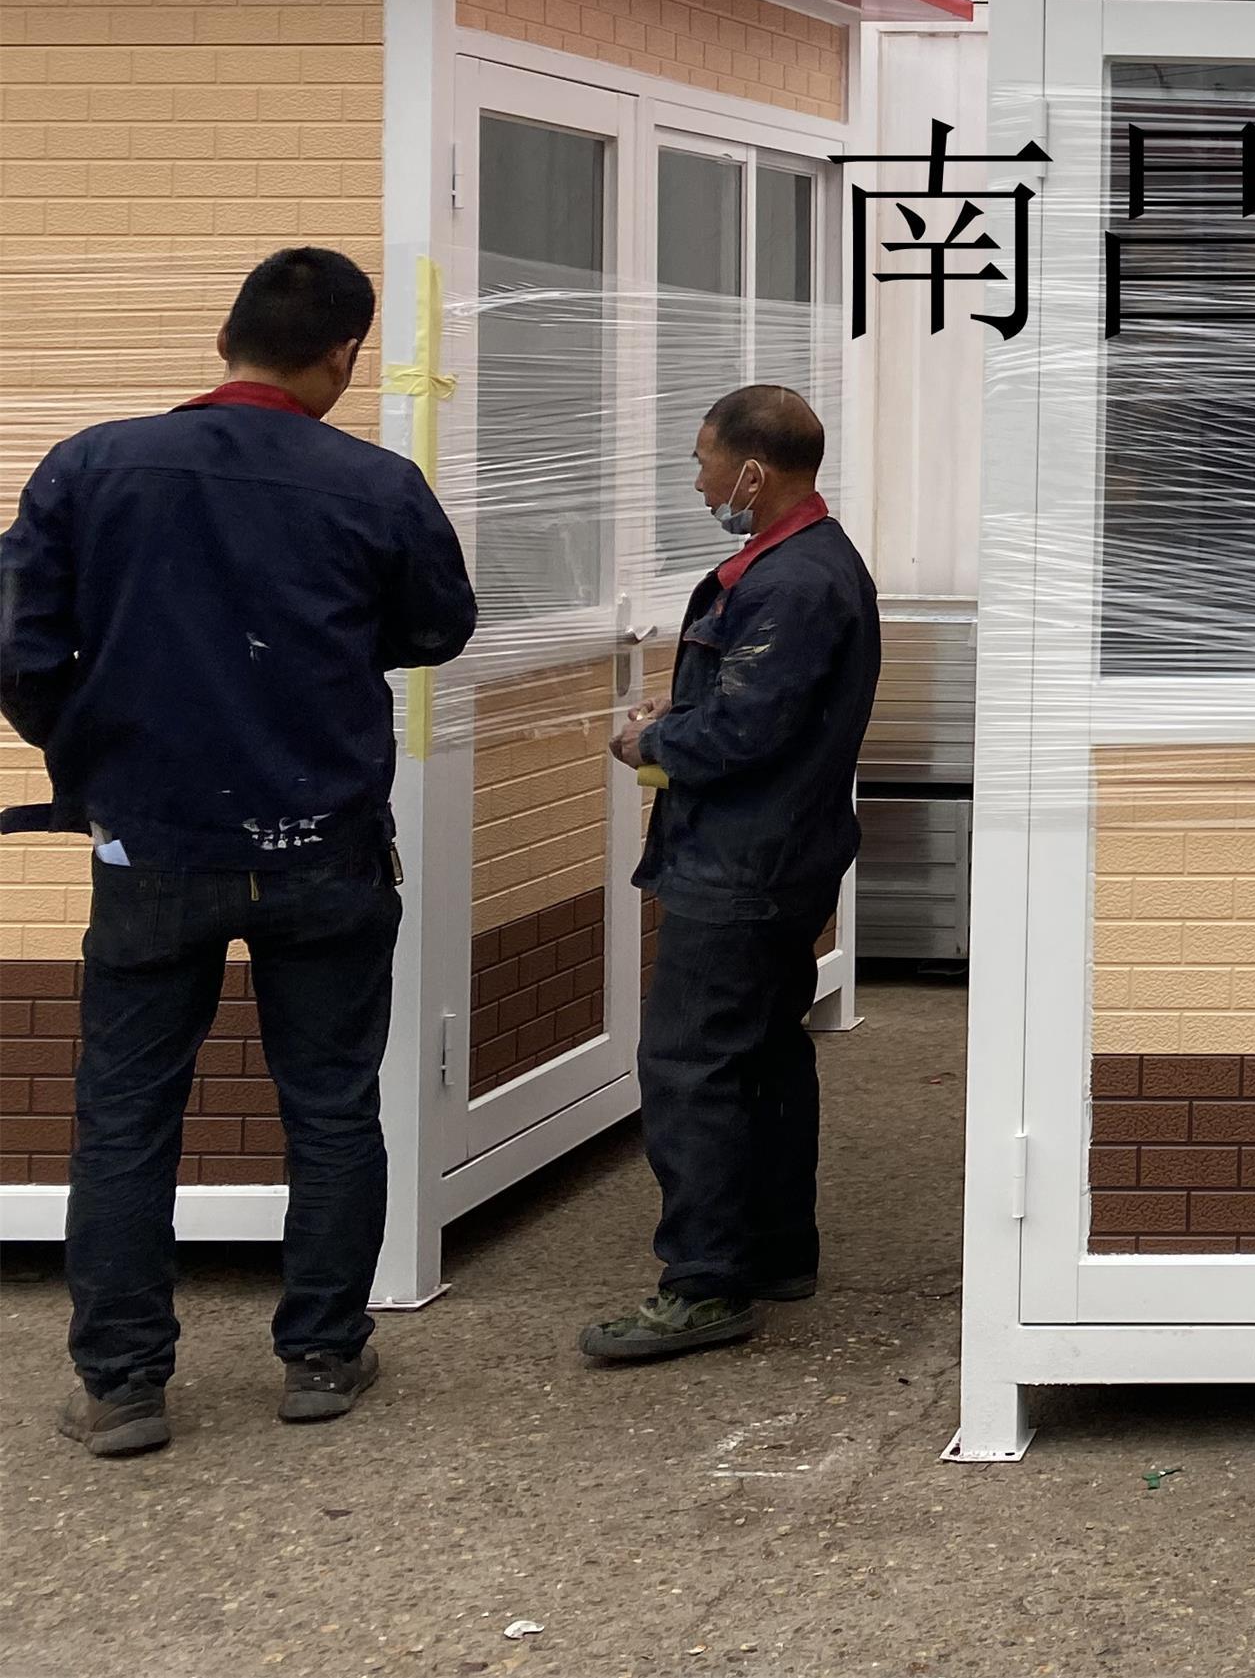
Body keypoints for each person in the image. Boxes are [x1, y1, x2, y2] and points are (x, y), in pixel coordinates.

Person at [0, 246, 477, 1458]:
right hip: (325, 847)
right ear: (344, 355)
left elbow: (19, 650)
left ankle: (123, 1386)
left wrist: (94, 758)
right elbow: (437, 628)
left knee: (125, 1115)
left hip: (152, 848)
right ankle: (322, 1355)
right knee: (330, 1105)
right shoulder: (376, 486)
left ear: (226, 338)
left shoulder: (90, 467)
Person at [583, 383, 878, 1364]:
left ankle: (705, 1283)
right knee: (762, 1054)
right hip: (774, 854)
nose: (698, 479)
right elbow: (758, 705)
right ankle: (776, 1250)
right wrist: (687, 714)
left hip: (743, 865)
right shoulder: (794, 566)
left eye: (704, 460)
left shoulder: (795, 581)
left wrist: (651, 741)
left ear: (753, 472)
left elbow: (744, 732)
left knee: (692, 1066)